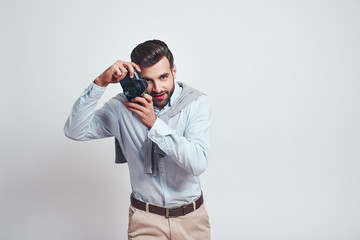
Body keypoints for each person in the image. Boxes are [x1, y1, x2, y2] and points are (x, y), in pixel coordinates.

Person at [64, 39, 211, 240]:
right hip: (145, 220)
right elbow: (75, 131)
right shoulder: (122, 108)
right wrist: (100, 83)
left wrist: (154, 124)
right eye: (148, 80)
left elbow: (198, 163)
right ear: (137, 77)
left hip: (191, 220)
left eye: (164, 77)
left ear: (174, 71)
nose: (158, 88)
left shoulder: (195, 103)